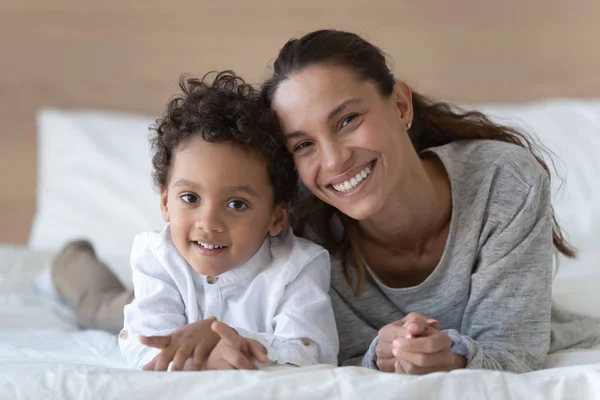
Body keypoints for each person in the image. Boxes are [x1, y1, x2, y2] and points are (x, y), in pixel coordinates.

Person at [47, 30, 600, 374]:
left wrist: (451, 354)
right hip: (209, 298)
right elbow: (330, 349)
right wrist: (377, 355)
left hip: (243, 327)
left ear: (400, 104)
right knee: (112, 309)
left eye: (348, 120)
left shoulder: (504, 184)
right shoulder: (301, 231)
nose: (334, 162)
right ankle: (69, 263)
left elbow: (513, 347)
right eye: (304, 145)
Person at [115, 71, 338, 370]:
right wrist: (203, 358)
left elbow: (314, 354)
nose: (208, 222)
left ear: (277, 217)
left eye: (236, 204)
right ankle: (72, 259)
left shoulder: (299, 268)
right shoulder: (157, 257)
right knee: (100, 304)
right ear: (166, 202)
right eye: (190, 198)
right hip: (135, 303)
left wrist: (229, 340)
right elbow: (145, 349)